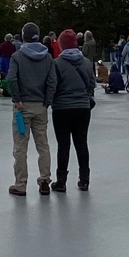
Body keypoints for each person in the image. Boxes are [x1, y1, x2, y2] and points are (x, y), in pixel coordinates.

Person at [6, 23, 59, 196]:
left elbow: (11, 78)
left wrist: (17, 99)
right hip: (40, 106)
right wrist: (47, 102)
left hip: (22, 107)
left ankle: (21, 184)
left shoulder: (17, 56)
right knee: (43, 145)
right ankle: (44, 180)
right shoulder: (48, 57)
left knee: (20, 147)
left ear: (23, 36)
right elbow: (52, 81)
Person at [50, 29, 96, 191]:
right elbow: (91, 84)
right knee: (82, 143)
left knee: (63, 145)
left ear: (61, 45)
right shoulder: (87, 63)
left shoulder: (56, 63)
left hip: (62, 108)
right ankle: (84, 180)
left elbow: (53, 86)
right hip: (83, 108)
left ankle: (61, 181)